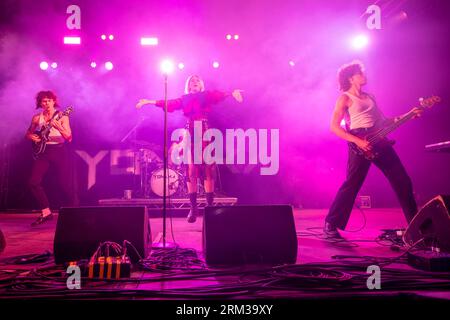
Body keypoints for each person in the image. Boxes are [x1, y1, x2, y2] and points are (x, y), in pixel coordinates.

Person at [325, 61, 422, 238]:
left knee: (402, 181)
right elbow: (334, 127)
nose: (364, 74)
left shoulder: (371, 97)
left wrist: (409, 115)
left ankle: (416, 227)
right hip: (360, 143)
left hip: (380, 141)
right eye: (361, 72)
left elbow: (384, 122)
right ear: (351, 78)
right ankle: (331, 224)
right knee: (352, 184)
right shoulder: (345, 98)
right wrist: (358, 142)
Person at [136, 75, 243, 223]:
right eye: (192, 81)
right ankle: (193, 208)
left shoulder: (206, 95)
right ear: (189, 86)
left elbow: (218, 94)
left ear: (201, 85)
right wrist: (150, 102)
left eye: (197, 80)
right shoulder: (184, 99)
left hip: (204, 132)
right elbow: (170, 103)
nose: (195, 82)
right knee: (191, 170)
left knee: (208, 170)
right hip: (190, 133)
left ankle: (210, 207)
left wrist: (231, 93)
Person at [25, 90, 78, 226]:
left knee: (64, 184)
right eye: (44, 101)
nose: (47, 103)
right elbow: (28, 133)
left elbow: (69, 137)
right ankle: (46, 212)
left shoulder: (62, 116)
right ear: (40, 103)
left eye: (49, 100)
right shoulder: (37, 118)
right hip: (44, 151)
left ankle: (74, 211)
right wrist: (31, 137)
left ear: (54, 101)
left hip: (59, 150)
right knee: (33, 182)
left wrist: (58, 127)